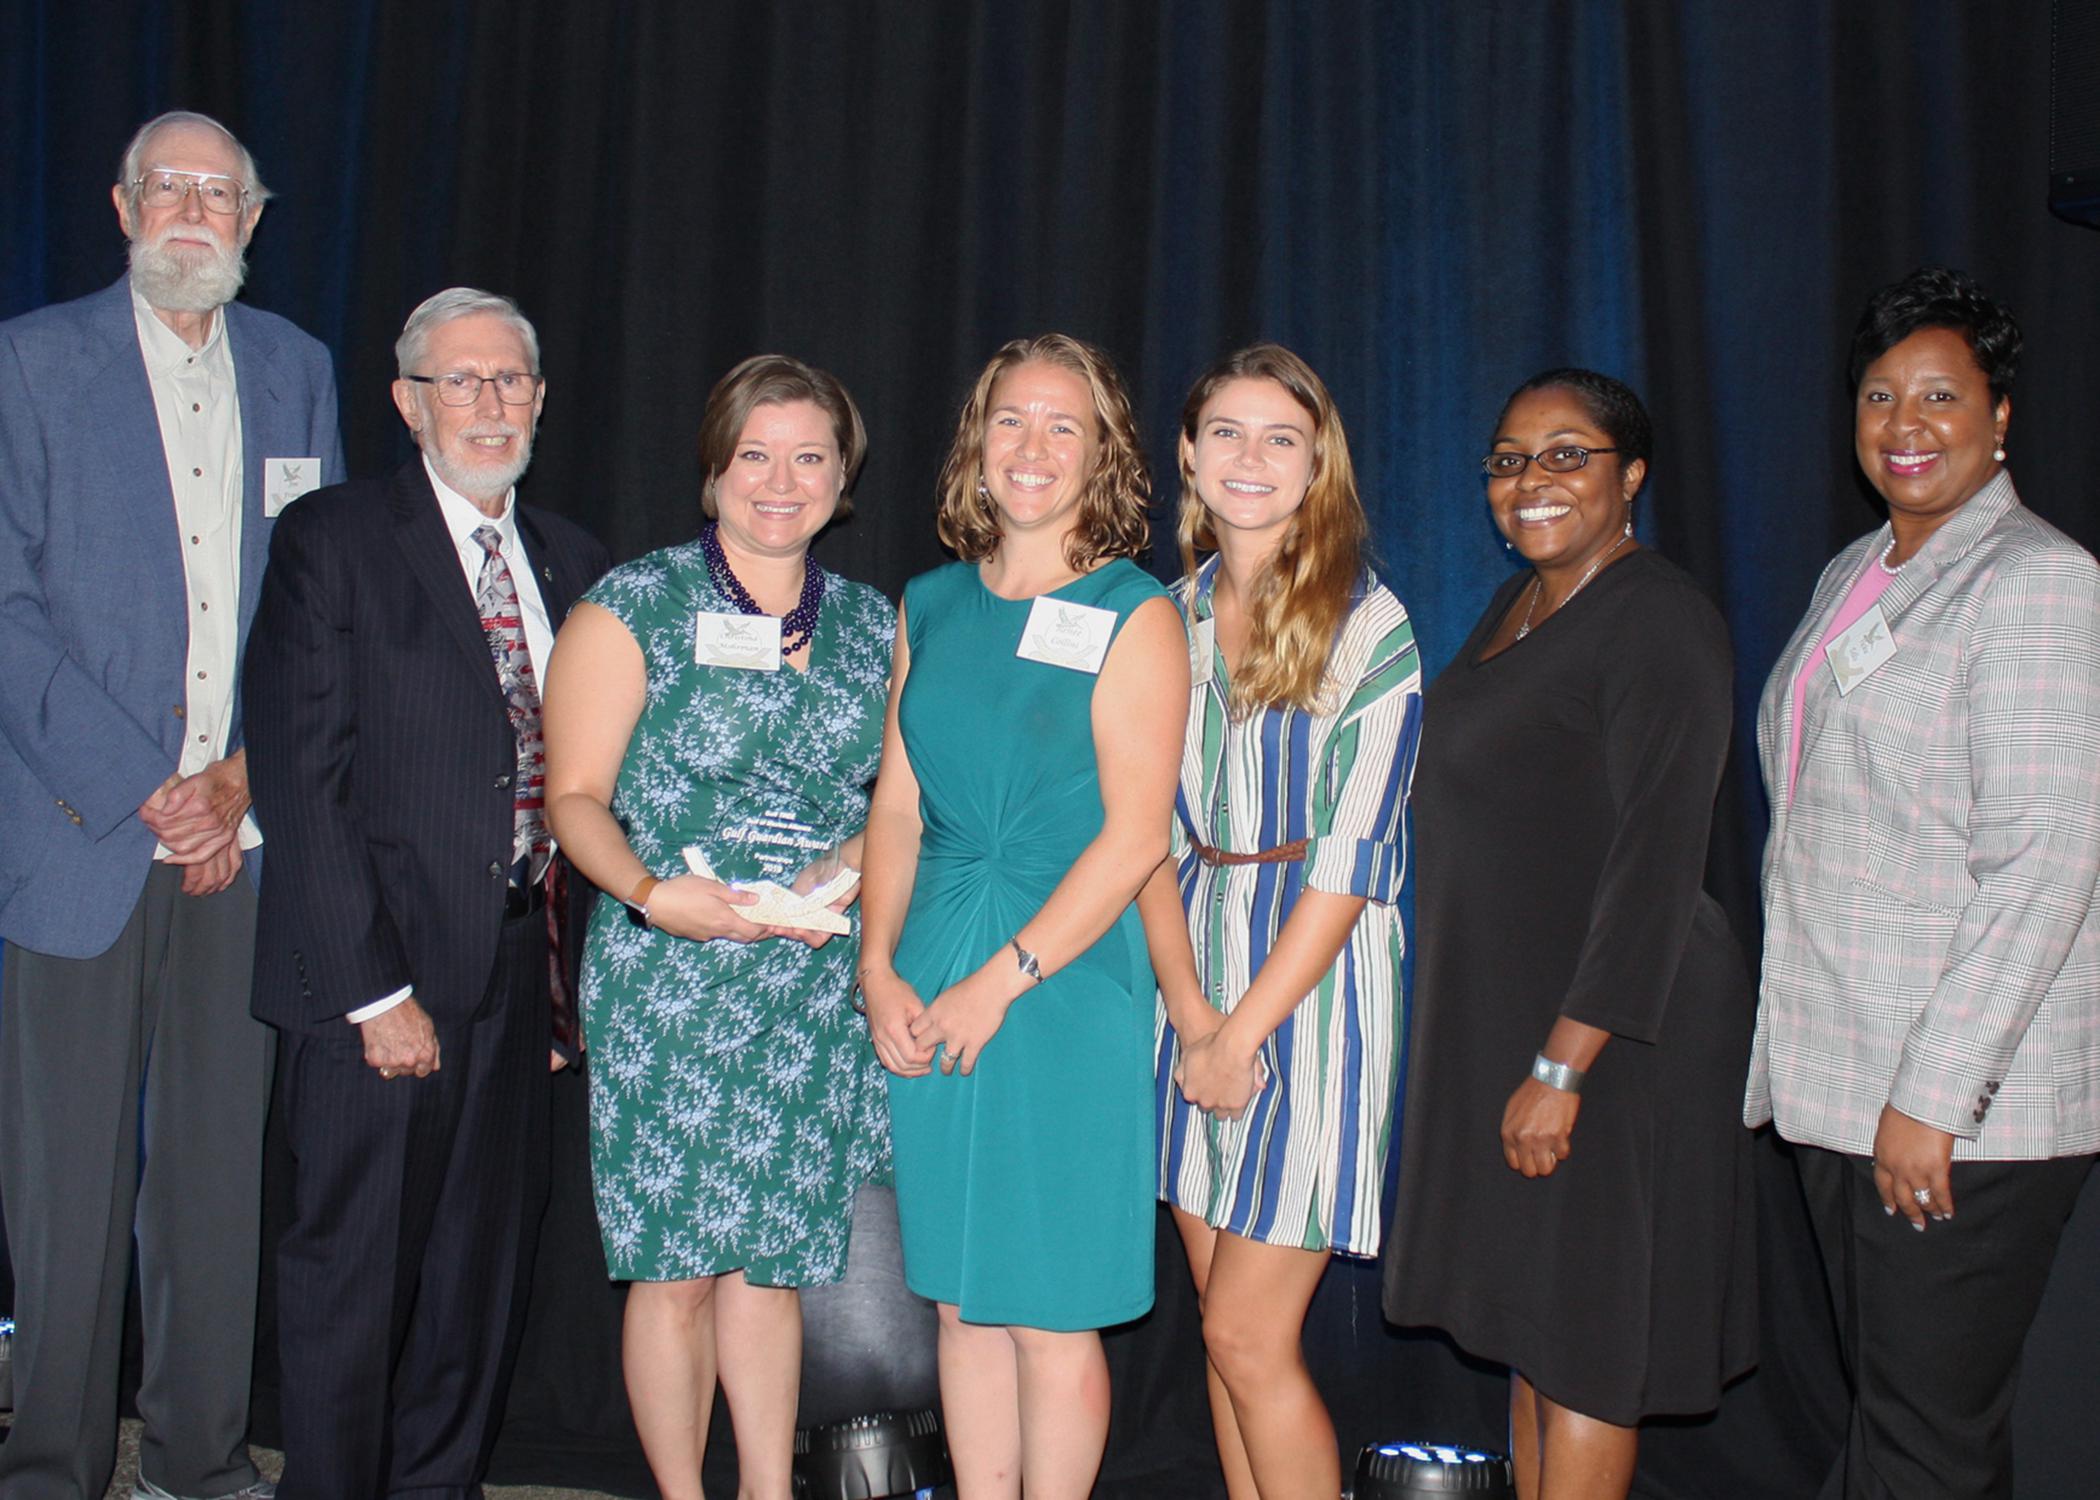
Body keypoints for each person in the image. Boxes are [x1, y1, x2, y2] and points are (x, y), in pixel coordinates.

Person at [0, 109, 342, 1500]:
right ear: (124, 206)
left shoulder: (299, 369)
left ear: (253, 223)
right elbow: (7, 609)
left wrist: (246, 780)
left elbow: (321, 607)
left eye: (224, 193)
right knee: (65, 1190)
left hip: (242, 849)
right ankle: (49, 1470)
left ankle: (199, 1463)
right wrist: (152, 792)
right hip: (80, 835)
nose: (196, 211)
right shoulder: (29, 365)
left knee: (213, 1184)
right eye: (171, 189)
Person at [243, 287, 610, 1500]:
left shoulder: (573, 562)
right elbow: (303, 784)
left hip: (518, 983)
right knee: (352, 1282)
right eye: (460, 381)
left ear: (543, 399)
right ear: (407, 404)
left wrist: (561, 986)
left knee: (476, 1283)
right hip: (379, 987)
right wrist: (372, 993)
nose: (489, 403)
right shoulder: (333, 540)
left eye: (510, 379)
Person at [1747, 267, 2100, 1500]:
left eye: (1941, 396)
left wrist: (1933, 1096)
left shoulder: (2040, 582)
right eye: (1882, 394)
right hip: (1844, 1079)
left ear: (2000, 417)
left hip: (1953, 1114)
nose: (1905, 423)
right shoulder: (1859, 570)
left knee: (1924, 1451)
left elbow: (2048, 862)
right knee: (1898, 1431)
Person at [1383, 369, 1756, 1500]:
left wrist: (1564, 1063)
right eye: (1507, 460)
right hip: (1520, 1022)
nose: (1530, 481)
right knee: (1539, 1331)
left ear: (1631, 475)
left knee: (1590, 1342)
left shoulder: (1660, 617)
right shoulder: (1522, 608)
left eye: (1565, 455)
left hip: (1615, 1040)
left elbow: (1655, 862)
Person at [540, 354, 894, 1500]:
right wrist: (650, 894)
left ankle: (765, 1490)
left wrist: (849, 869)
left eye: (810, 457)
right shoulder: (630, 606)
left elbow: (899, 798)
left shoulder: (877, 627)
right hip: (671, 973)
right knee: (678, 1266)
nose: (780, 481)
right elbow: (575, 800)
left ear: (845, 480)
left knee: (771, 1268)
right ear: (714, 470)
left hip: (805, 977)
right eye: (756, 454)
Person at [858, 334, 1187, 1498]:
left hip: (1062, 974)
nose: (1032, 447)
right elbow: (894, 810)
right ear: (975, 441)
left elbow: (1138, 837)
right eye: (1011, 420)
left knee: (1048, 1307)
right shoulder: (931, 604)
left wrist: (999, 982)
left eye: (1064, 426)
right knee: (958, 1294)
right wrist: (877, 970)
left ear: (1102, 455)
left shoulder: (1135, 612)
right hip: (932, 953)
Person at [1143, 344, 1421, 1498]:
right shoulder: (1165, 615)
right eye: (1226, 434)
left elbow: (1353, 861)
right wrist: (1190, 1012)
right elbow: (1139, 833)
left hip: (1316, 992)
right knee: (1220, 1326)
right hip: (1188, 976)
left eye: (1279, 439)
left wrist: (1240, 1030)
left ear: (1319, 467)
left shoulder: (1370, 621)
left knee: (1253, 1338)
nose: (1249, 460)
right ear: (1189, 457)